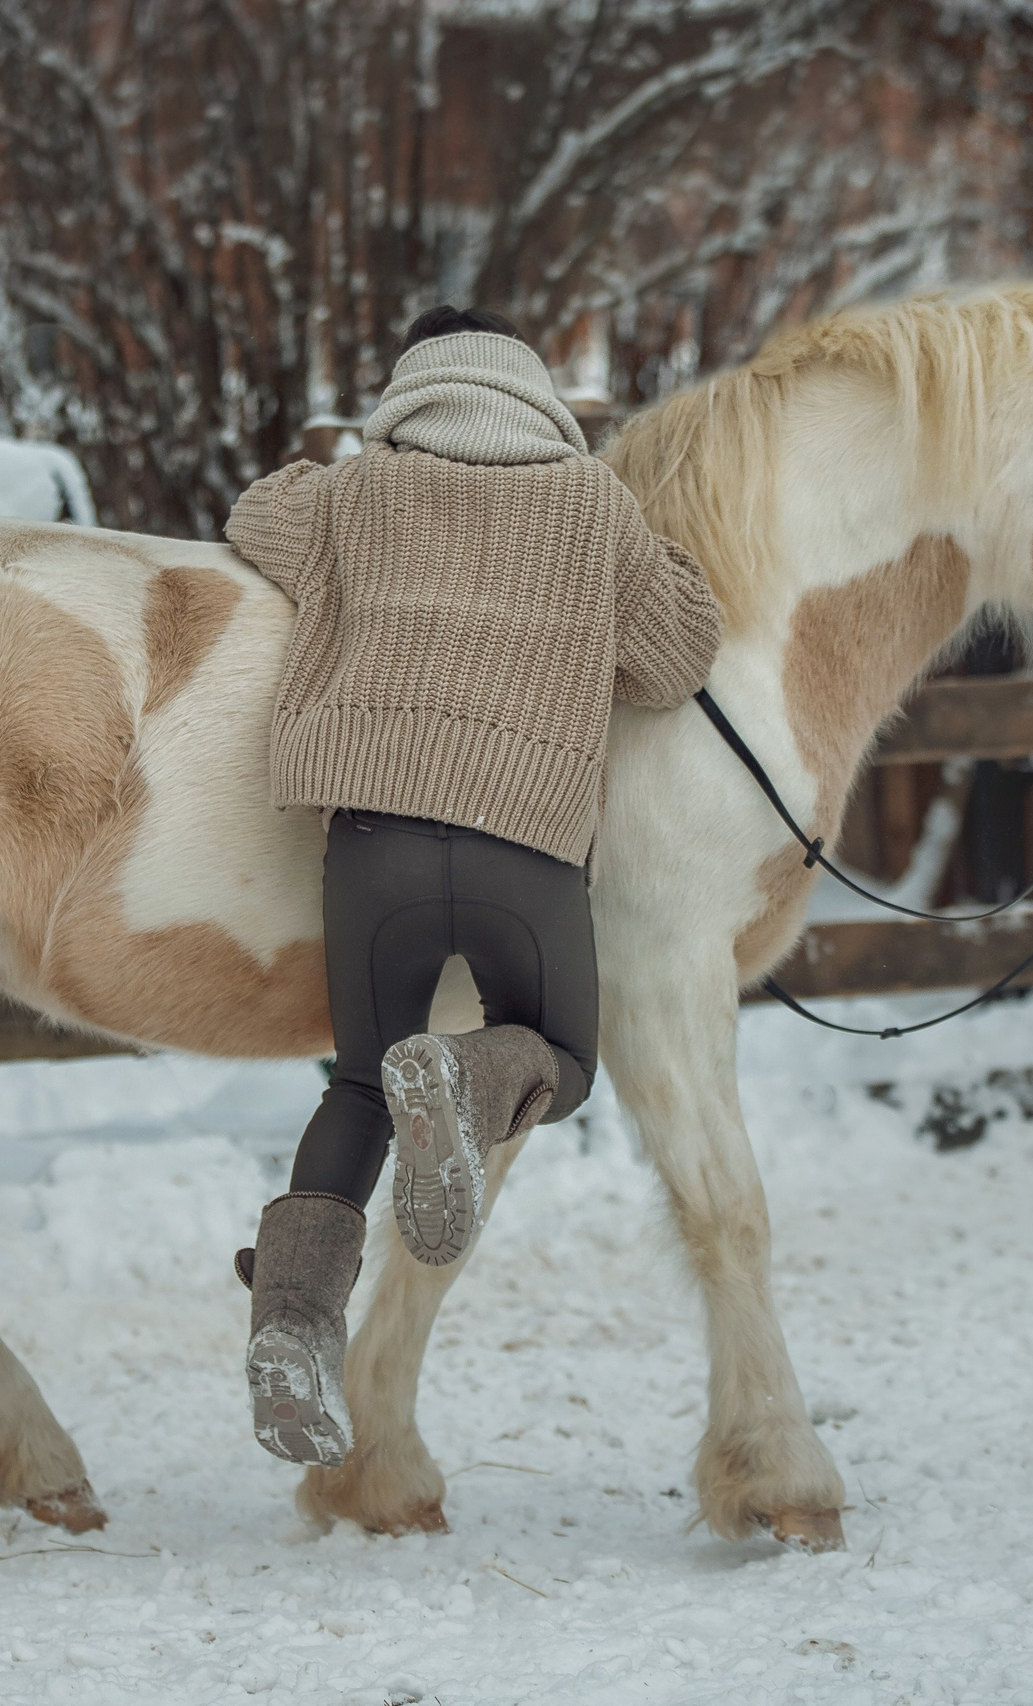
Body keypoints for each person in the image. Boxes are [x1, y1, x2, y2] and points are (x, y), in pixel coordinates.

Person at [221, 305, 723, 1465]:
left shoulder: (360, 490)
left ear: (413, 387)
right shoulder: (592, 503)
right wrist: (658, 555)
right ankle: (462, 1073)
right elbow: (676, 657)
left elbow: (252, 515)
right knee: (565, 1058)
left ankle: (293, 1326)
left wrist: (343, 467)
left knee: (358, 1084)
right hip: (522, 846)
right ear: (531, 389)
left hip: (375, 839)